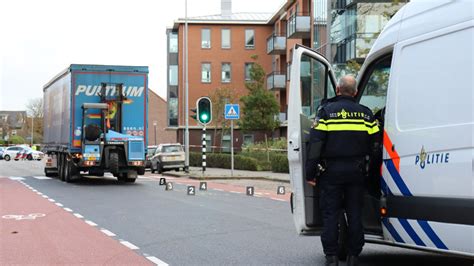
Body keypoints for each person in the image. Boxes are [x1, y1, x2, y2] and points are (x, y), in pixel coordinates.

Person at [305, 75, 379, 266]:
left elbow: (315, 145)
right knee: (355, 213)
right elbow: (375, 146)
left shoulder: (326, 112)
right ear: (355, 92)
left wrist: (310, 173)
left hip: (331, 173)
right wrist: (371, 174)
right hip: (357, 172)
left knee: (331, 214)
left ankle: (331, 257)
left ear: (337, 90)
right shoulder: (366, 114)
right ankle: (354, 256)